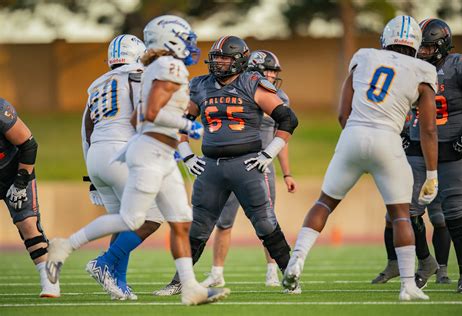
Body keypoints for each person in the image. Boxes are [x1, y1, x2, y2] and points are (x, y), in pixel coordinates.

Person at [46, 15, 230, 306]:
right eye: (183, 38)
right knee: (139, 219)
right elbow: (146, 114)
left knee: (172, 219)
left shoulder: (100, 83)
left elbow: (95, 128)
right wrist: (188, 127)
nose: (189, 44)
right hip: (141, 151)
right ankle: (79, 251)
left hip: (110, 153)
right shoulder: (160, 68)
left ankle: (183, 286)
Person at [282, 16, 438, 301]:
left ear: (386, 38)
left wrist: (355, 146)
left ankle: (296, 261)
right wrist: (431, 174)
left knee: (324, 203)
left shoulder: (364, 56)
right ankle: (407, 285)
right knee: (401, 215)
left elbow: (343, 113)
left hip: (353, 134)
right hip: (388, 140)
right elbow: (427, 129)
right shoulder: (423, 69)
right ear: (416, 43)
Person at [154, 36, 299, 296]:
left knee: (265, 224)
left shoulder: (252, 82)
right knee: (198, 226)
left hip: (247, 164)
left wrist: (270, 152)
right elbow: (178, 121)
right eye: (216, 56)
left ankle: (290, 276)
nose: (218, 62)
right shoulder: (200, 85)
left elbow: (287, 119)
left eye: (225, 57)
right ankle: (180, 281)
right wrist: (186, 155)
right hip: (211, 166)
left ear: (240, 60)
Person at [372, 18, 462, 293]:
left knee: (457, 213)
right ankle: (426, 261)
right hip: (417, 146)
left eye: (428, 48)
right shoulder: (408, 69)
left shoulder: (460, 64)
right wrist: (401, 132)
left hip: (455, 147)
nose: (422, 53)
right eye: (420, 47)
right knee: (405, 211)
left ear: (441, 46)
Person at [200, 49, 297, 288]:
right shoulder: (240, 88)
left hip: (261, 165)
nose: (272, 75)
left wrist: (287, 172)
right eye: (269, 70)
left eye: (275, 71)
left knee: (267, 221)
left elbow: (283, 135)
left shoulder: (276, 96)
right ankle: (216, 272)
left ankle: (272, 271)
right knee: (223, 222)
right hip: (230, 163)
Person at [80, 34, 165, 300]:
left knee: (122, 222)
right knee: (153, 217)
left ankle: (119, 282)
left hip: (96, 157)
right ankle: (104, 263)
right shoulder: (139, 76)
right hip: (121, 153)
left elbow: (86, 131)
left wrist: (92, 178)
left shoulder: (96, 85)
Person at [0, 98, 60, 297]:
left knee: (27, 224)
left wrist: (20, 183)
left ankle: (50, 280)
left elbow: (29, 144)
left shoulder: (0, 109)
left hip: (13, 173)